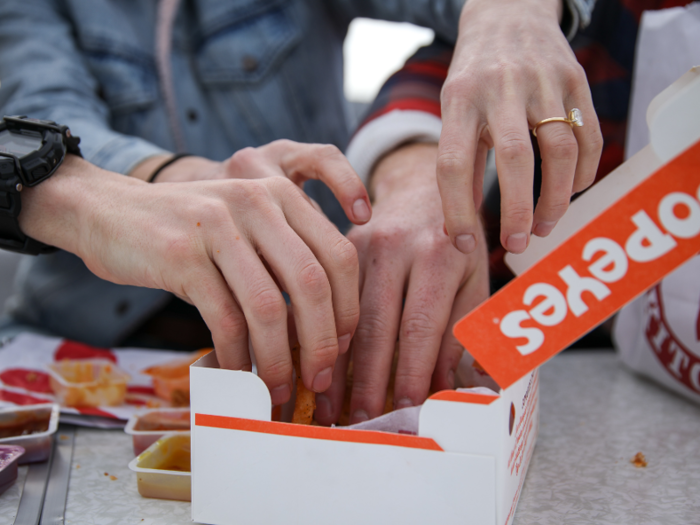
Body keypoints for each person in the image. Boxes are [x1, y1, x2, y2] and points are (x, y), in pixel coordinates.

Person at [0, 0, 599, 424]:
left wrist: (510, 14)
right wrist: (166, 183)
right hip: (82, 343)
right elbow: (34, 112)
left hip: (311, 323)